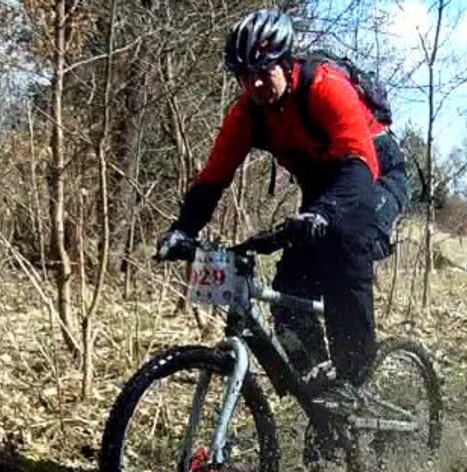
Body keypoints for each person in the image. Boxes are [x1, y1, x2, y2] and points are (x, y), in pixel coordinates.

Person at [156, 9, 392, 396]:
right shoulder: (247, 114)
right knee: (289, 291)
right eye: (245, 76)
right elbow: (212, 178)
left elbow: (360, 165)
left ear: (286, 64)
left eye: (264, 72)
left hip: (374, 174)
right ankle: (321, 394)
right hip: (323, 189)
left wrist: (323, 213)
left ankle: (353, 384)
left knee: (345, 256)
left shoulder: (326, 88)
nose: (256, 84)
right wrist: (183, 229)